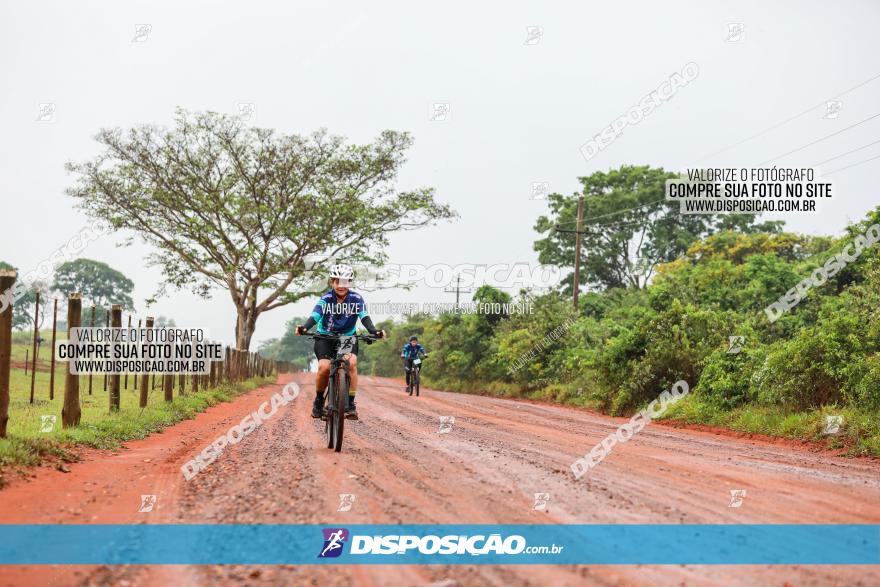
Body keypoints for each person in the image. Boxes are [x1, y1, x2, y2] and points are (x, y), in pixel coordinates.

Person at [296, 264, 384, 421]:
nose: (341, 286)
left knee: (351, 363)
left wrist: (373, 331)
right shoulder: (326, 299)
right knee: (324, 367)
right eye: (338, 282)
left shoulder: (356, 299)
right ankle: (318, 402)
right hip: (325, 337)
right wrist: (304, 327)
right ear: (332, 283)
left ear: (349, 283)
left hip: (346, 338)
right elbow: (315, 316)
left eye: (345, 282)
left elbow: (364, 317)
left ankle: (350, 404)